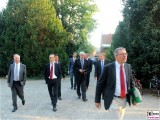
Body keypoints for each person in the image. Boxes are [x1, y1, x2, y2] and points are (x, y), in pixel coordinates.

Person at [95, 47, 136, 120]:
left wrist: (135, 97)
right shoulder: (108, 68)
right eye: (122, 54)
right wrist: (97, 100)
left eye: (125, 53)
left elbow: (131, 82)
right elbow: (100, 84)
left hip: (124, 100)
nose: (125, 55)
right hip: (113, 100)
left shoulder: (128, 66)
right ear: (116, 56)